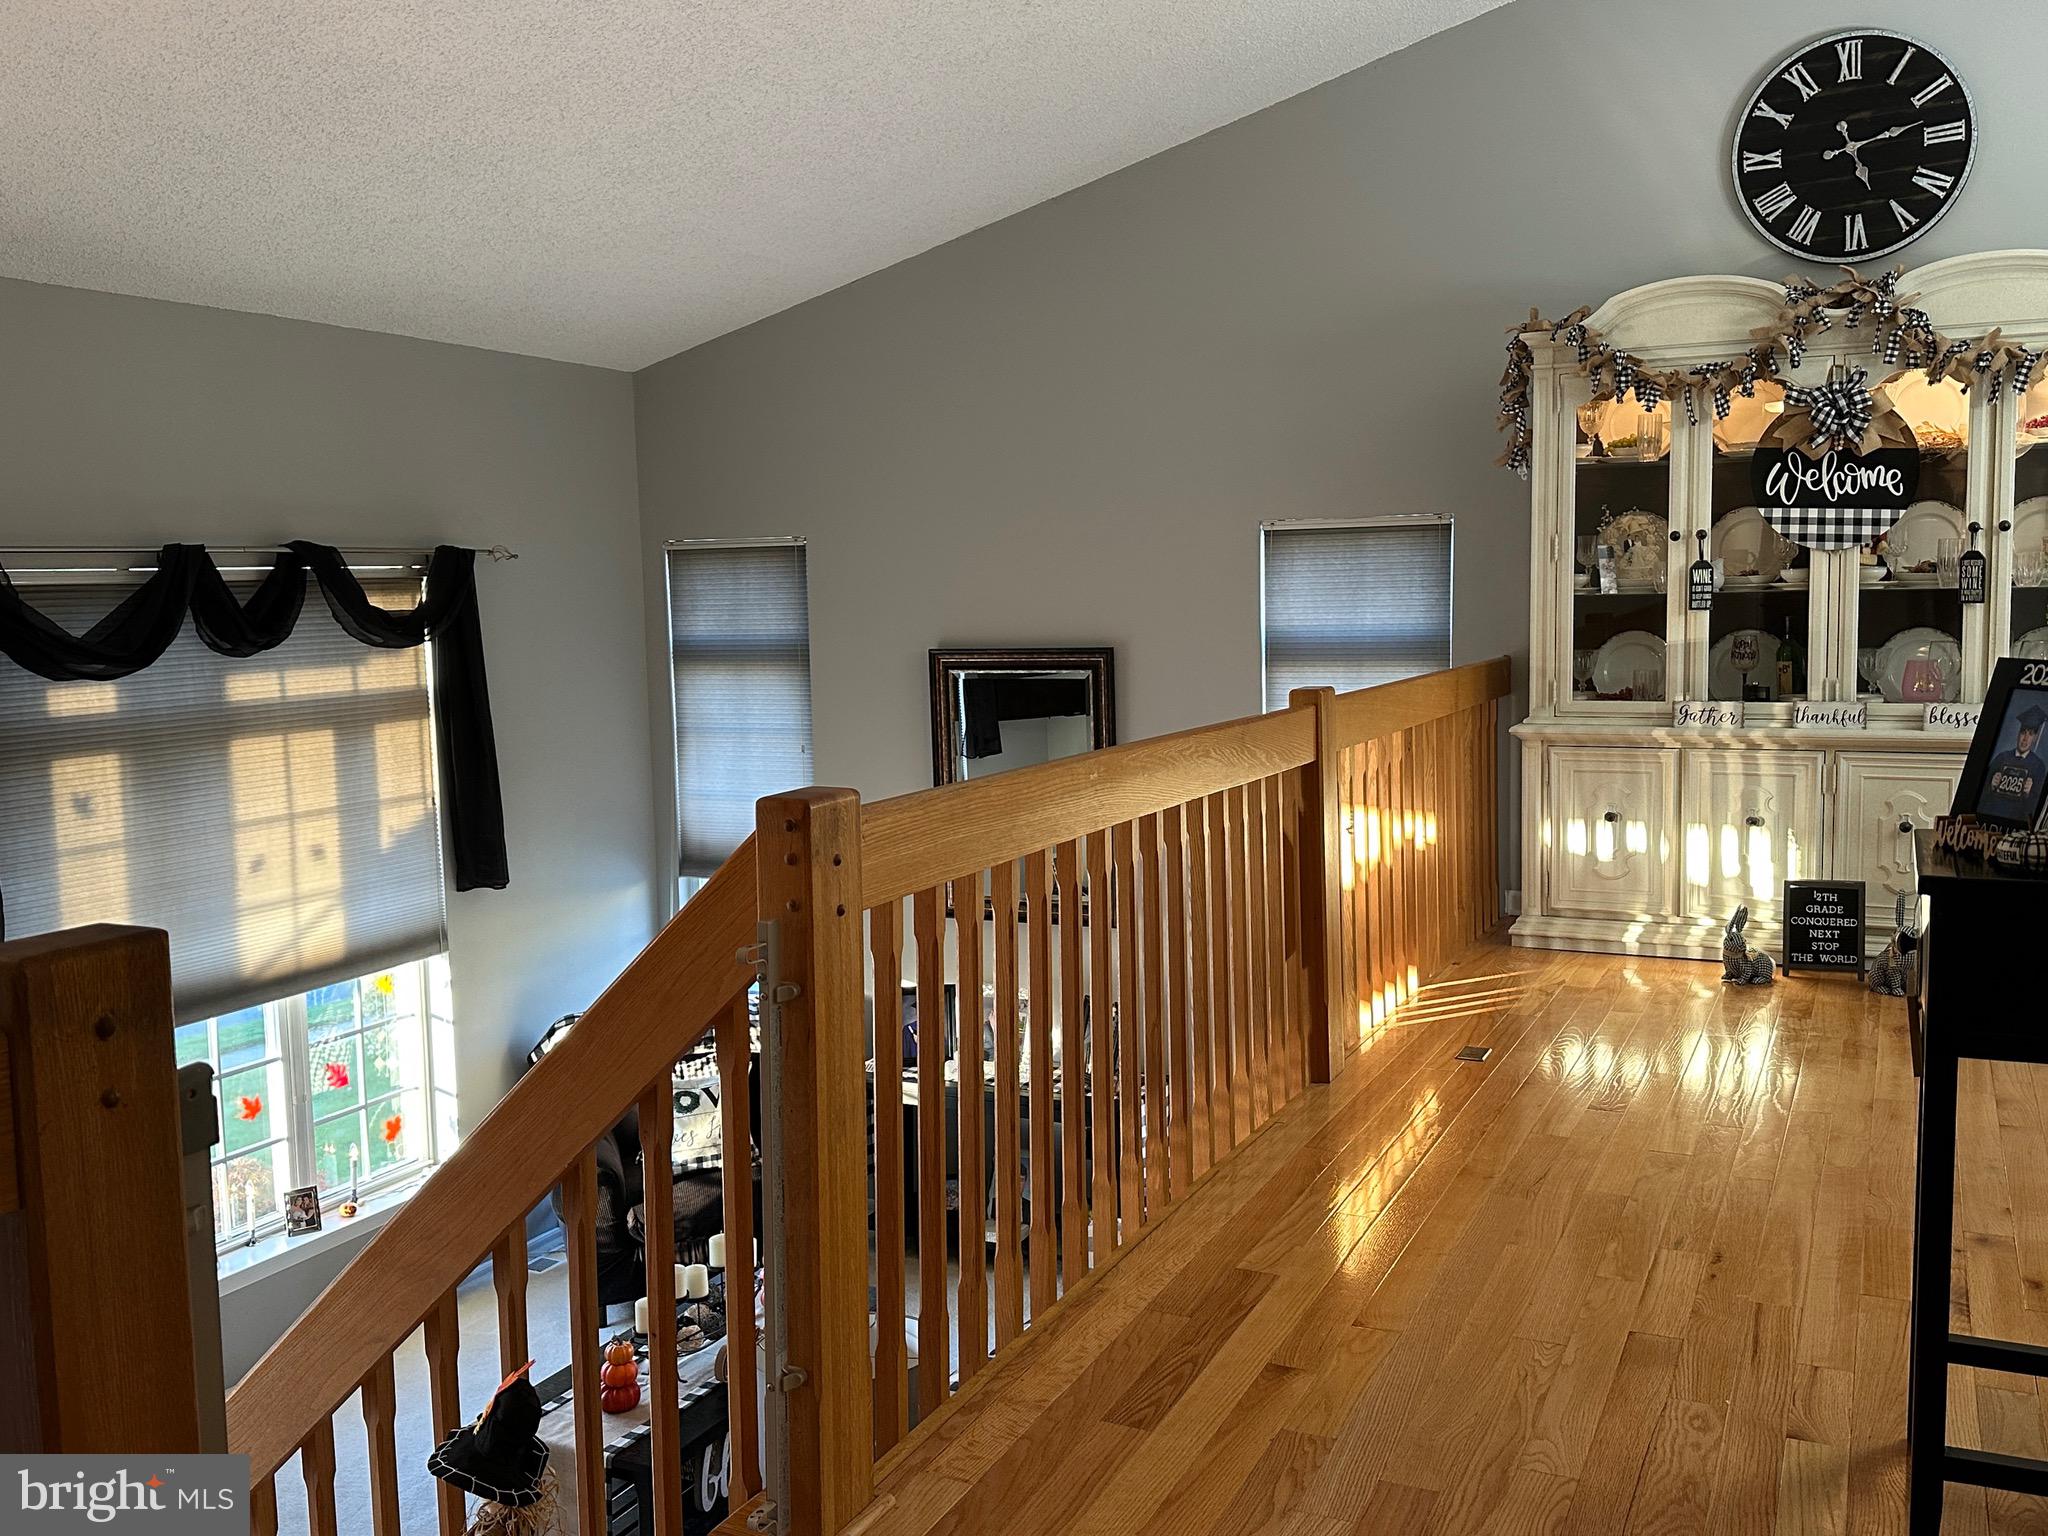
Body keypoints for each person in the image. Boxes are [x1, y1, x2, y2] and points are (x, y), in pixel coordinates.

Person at [1980, 702, 2048, 825]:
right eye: (2023, 732)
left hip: (2016, 822)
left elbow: (2037, 807)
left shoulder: (2038, 766)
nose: (2025, 739)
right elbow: (1980, 794)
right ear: (2018, 734)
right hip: (1992, 818)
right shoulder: (2001, 758)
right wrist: (1991, 786)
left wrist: (2028, 793)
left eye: (2030, 734)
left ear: (2035, 738)